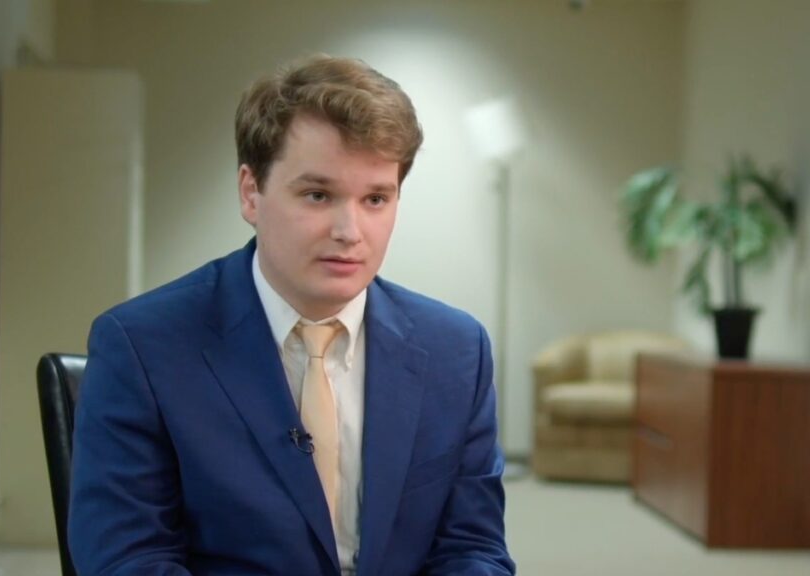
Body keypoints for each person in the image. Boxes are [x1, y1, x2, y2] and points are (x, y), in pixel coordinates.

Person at [68, 54, 515, 576]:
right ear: (250, 193)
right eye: (318, 195)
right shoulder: (142, 347)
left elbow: (472, 549)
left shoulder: (456, 351)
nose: (350, 231)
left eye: (375, 199)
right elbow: (130, 560)